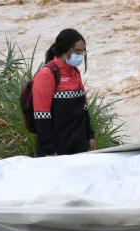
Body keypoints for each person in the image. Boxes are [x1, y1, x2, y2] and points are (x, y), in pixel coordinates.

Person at [33, 28, 96, 157]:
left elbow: (83, 109)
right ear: (65, 50)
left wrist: (90, 136)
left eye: (82, 52)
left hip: (79, 147)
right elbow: (41, 116)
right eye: (76, 51)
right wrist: (50, 150)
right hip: (57, 150)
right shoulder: (47, 74)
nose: (80, 56)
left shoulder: (75, 72)